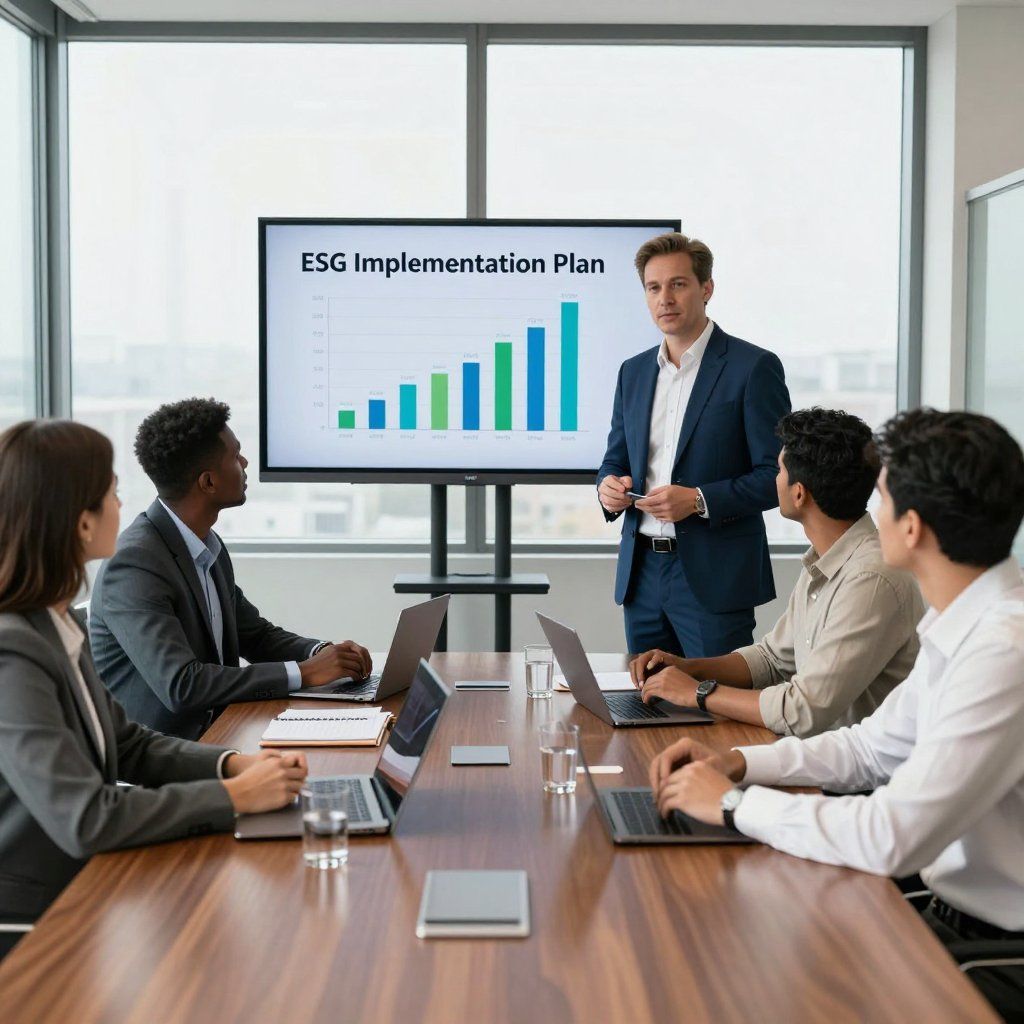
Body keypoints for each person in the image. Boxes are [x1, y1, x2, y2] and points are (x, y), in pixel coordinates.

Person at [648, 408, 1024, 1019]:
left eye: (882, 499)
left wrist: (731, 805)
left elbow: (891, 837)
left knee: (757, 982)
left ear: (913, 528)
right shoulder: (968, 625)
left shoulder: (1003, 652)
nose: (871, 517)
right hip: (946, 913)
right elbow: (869, 747)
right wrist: (739, 763)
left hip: (994, 955)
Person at [0, 420, 307, 960]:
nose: (123, 503)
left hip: (88, 885)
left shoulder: (52, 623)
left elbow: (130, 745)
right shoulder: (13, 652)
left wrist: (233, 765)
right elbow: (87, 818)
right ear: (78, 520)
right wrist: (235, 797)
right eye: (111, 492)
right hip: (35, 923)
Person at [630, 408, 924, 737]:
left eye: (780, 470)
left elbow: (803, 710)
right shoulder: (827, 559)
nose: (774, 480)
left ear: (799, 493)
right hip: (816, 758)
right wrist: (687, 667)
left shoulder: (871, 579)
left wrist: (697, 694)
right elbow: (772, 659)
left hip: (849, 776)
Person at [90, 398, 372, 741]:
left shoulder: (206, 545)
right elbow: (183, 685)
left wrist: (322, 654)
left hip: (225, 730)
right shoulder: (135, 564)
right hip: (166, 758)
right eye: (235, 456)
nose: (244, 462)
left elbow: (255, 635)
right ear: (208, 482)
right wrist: (304, 673)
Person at [597, 231, 791, 658]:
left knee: (718, 712)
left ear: (706, 289)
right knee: (646, 706)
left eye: (678, 284)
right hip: (641, 572)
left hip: (714, 577)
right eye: (653, 287)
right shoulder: (633, 373)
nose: (664, 297)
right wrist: (607, 487)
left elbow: (777, 477)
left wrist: (699, 500)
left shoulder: (753, 367)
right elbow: (615, 459)